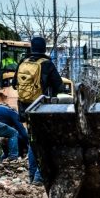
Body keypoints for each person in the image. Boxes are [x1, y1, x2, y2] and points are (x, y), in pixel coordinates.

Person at [15, 36, 64, 185]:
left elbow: (14, 84)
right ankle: (39, 177)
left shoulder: (23, 63)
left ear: (31, 48)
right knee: (46, 142)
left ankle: (32, 176)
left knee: (33, 142)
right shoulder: (47, 64)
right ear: (44, 48)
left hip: (25, 109)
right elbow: (59, 86)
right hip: (41, 108)